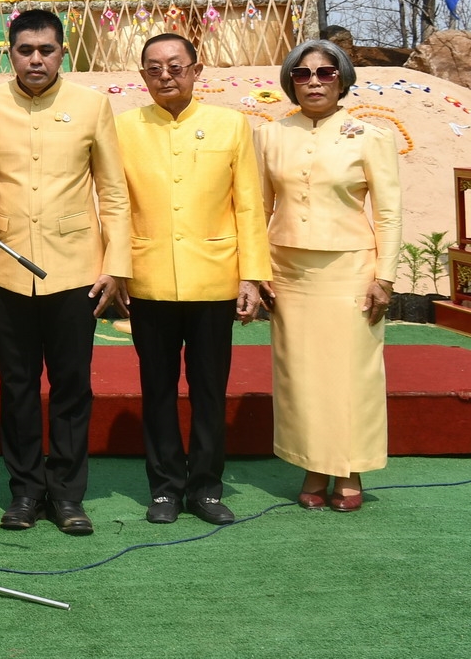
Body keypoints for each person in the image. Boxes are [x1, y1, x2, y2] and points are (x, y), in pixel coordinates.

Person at [0, 8, 130, 536]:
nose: (36, 59)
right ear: (9, 52)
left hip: (76, 269)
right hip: (6, 268)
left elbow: (113, 192)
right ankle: (25, 491)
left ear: (63, 52)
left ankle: (66, 495)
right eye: (25, 50)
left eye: (47, 50)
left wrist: (115, 266)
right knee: (15, 386)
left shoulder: (91, 106)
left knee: (71, 385)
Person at [115, 34, 270, 526]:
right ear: (142, 76)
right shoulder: (122, 128)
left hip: (214, 280)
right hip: (149, 278)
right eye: (154, 68)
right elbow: (113, 207)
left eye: (176, 66)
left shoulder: (230, 125)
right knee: (156, 388)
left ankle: (205, 487)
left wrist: (252, 277)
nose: (166, 75)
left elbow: (249, 203)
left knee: (209, 389)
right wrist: (116, 269)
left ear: (196, 69)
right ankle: (164, 489)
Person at [259, 40, 401, 512]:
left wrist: (385, 276)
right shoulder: (270, 135)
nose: (314, 82)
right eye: (302, 74)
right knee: (300, 374)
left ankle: (350, 467)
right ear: (290, 82)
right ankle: (313, 465)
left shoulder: (369, 135)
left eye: (324, 73)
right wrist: (255, 272)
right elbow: (258, 209)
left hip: (350, 270)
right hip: (289, 271)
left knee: (350, 374)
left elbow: (389, 214)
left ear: (341, 79)